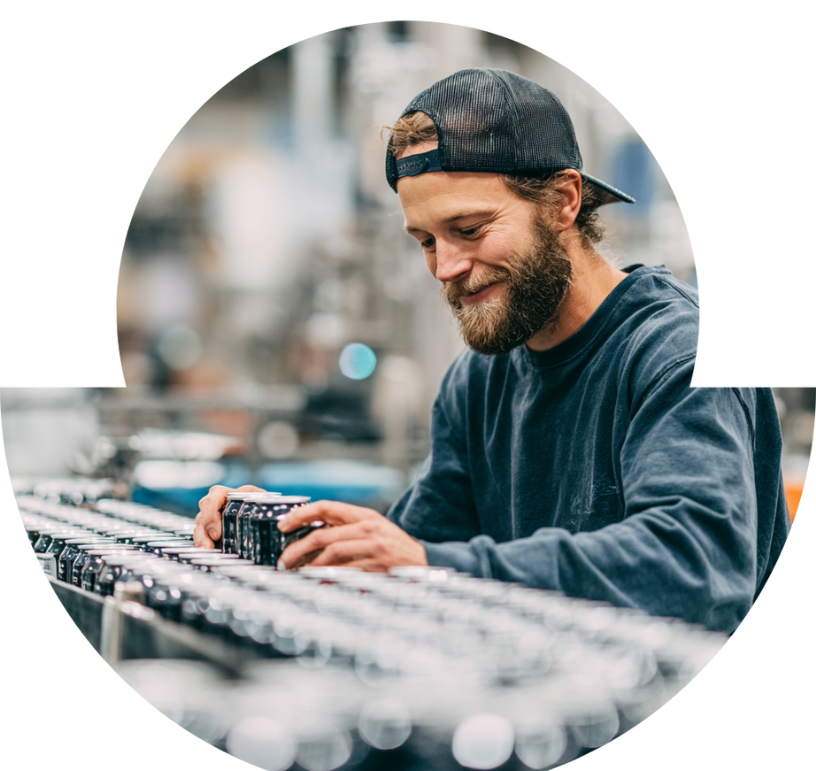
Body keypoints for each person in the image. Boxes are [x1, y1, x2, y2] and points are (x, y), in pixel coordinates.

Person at [194, 68, 791, 635]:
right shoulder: (478, 380)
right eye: (426, 240)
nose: (446, 267)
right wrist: (288, 531)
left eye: (470, 230)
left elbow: (693, 566)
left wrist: (429, 563)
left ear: (563, 201)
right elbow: (412, 553)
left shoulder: (680, 350)